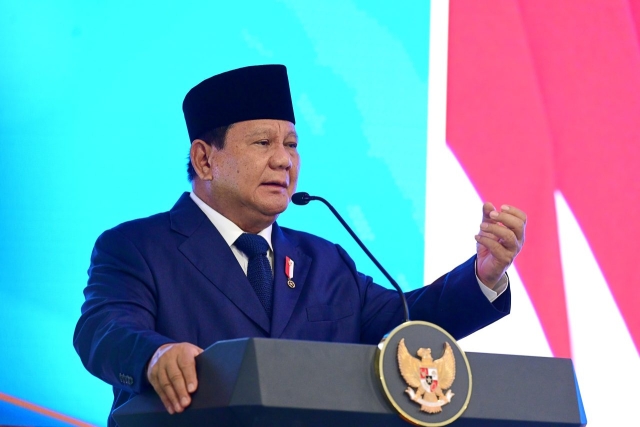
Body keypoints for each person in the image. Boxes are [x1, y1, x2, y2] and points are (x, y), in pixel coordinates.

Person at [73, 65, 526, 426]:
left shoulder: (324, 261)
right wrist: (155, 355)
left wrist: (483, 275)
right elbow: (102, 329)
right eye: (263, 143)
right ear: (205, 159)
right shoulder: (137, 247)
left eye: (291, 144)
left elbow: (405, 325)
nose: (284, 160)